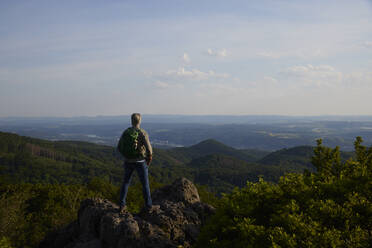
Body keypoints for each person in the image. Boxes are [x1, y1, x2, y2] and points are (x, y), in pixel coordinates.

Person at [117, 113, 153, 213]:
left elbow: (119, 147)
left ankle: (122, 205)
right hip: (140, 161)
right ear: (139, 121)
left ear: (131, 121)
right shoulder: (142, 132)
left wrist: (126, 156)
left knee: (126, 182)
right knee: (145, 184)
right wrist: (148, 158)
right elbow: (149, 149)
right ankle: (149, 206)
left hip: (128, 161)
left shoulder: (126, 132)